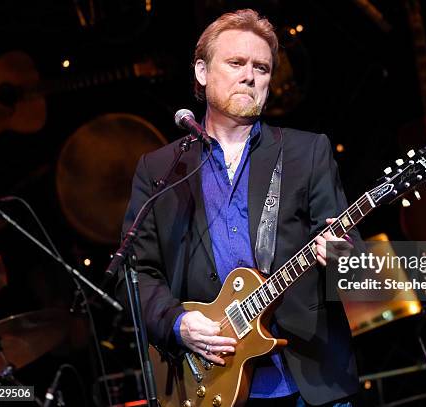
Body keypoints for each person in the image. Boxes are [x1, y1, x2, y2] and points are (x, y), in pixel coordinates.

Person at [117, 8, 360, 407]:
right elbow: (137, 272)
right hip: (210, 380)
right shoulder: (160, 168)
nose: (250, 75)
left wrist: (340, 254)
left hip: (310, 381)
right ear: (201, 72)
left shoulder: (306, 150)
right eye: (235, 63)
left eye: (261, 67)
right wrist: (178, 324)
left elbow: (347, 252)